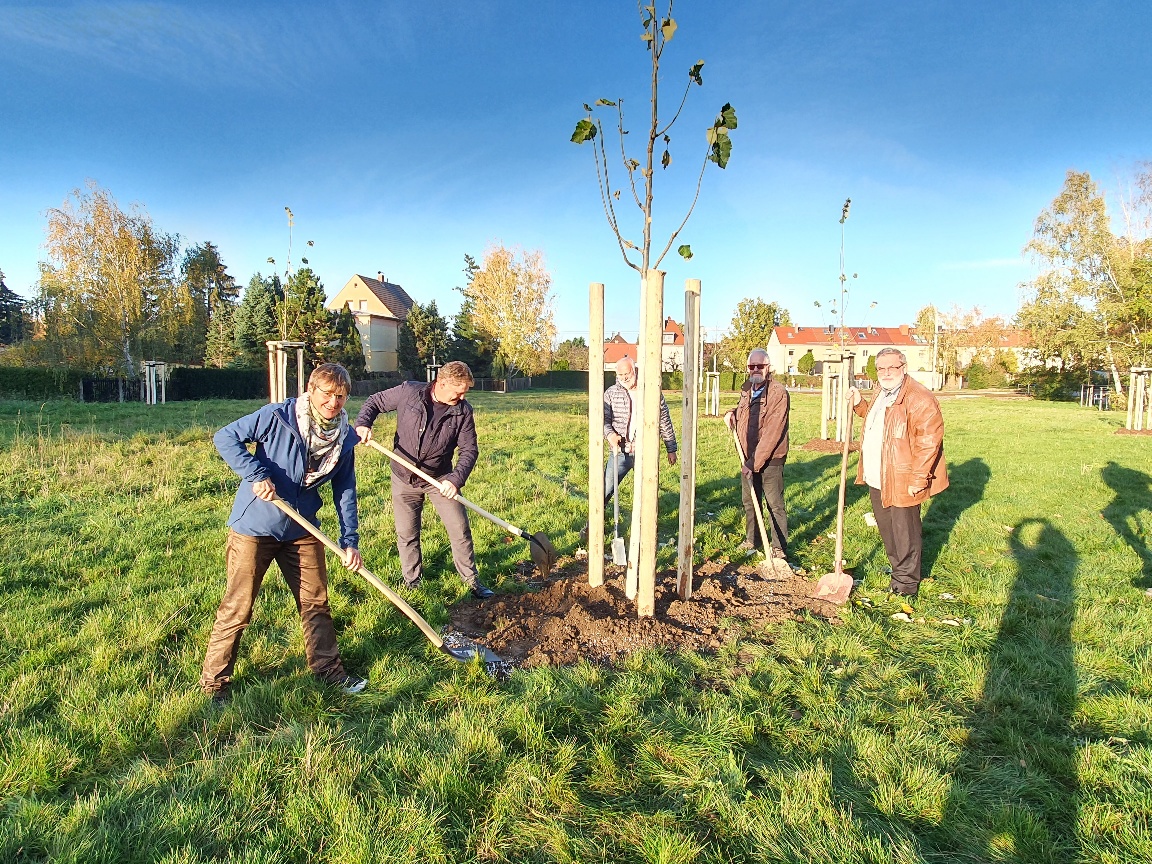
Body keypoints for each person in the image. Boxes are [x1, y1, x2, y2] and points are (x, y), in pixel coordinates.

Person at [201, 363, 366, 703]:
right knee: (238, 607)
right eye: (326, 394)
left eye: (340, 396)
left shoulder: (344, 436)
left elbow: (345, 490)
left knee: (315, 603)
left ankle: (329, 672)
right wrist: (256, 473)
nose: (333, 403)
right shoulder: (277, 416)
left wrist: (350, 540)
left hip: (303, 530)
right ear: (310, 389)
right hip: (256, 527)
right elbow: (225, 437)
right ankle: (215, 684)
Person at [354, 360, 495, 599]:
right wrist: (363, 424)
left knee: (459, 530)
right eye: (458, 391)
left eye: (464, 392)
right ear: (441, 383)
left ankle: (471, 581)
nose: (461, 397)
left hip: (440, 479)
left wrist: (455, 479)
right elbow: (375, 402)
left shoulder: (462, 411)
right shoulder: (409, 393)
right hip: (403, 477)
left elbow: (469, 450)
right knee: (407, 533)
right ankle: (413, 582)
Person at [849, 347, 949, 597]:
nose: (886, 372)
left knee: (905, 532)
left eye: (892, 367)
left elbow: (929, 441)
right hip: (878, 476)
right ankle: (899, 571)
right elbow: (875, 418)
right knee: (888, 530)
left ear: (903, 368)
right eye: (881, 368)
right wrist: (859, 404)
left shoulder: (919, 398)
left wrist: (919, 478)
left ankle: (906, 585)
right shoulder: (882, 392)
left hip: (903, 478)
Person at [582, 355, 677, 542]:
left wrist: (670, 447)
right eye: (620, 374)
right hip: (620, 451)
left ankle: (647, 531)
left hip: (645, 450)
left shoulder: (650, 391)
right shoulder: (611, 393)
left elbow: (664, 419)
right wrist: (610, 435)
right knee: (605, 489)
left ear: (634, 370)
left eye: (627, 373)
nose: (624, 377)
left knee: (647, 493)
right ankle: (592, 527)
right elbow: (602, 419)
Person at [724, 349, 791, 563]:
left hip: (770, 458)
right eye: (751, 366)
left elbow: (773, 432)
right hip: (748, 456)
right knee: (750, 501)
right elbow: (744, 412)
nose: (755, 370)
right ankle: (752, 539)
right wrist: (732, 414)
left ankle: (779, 547)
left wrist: (753, 463)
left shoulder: (778, 392)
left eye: (759, 366)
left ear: (768, 367)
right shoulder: (747, 389)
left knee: (774, 504)